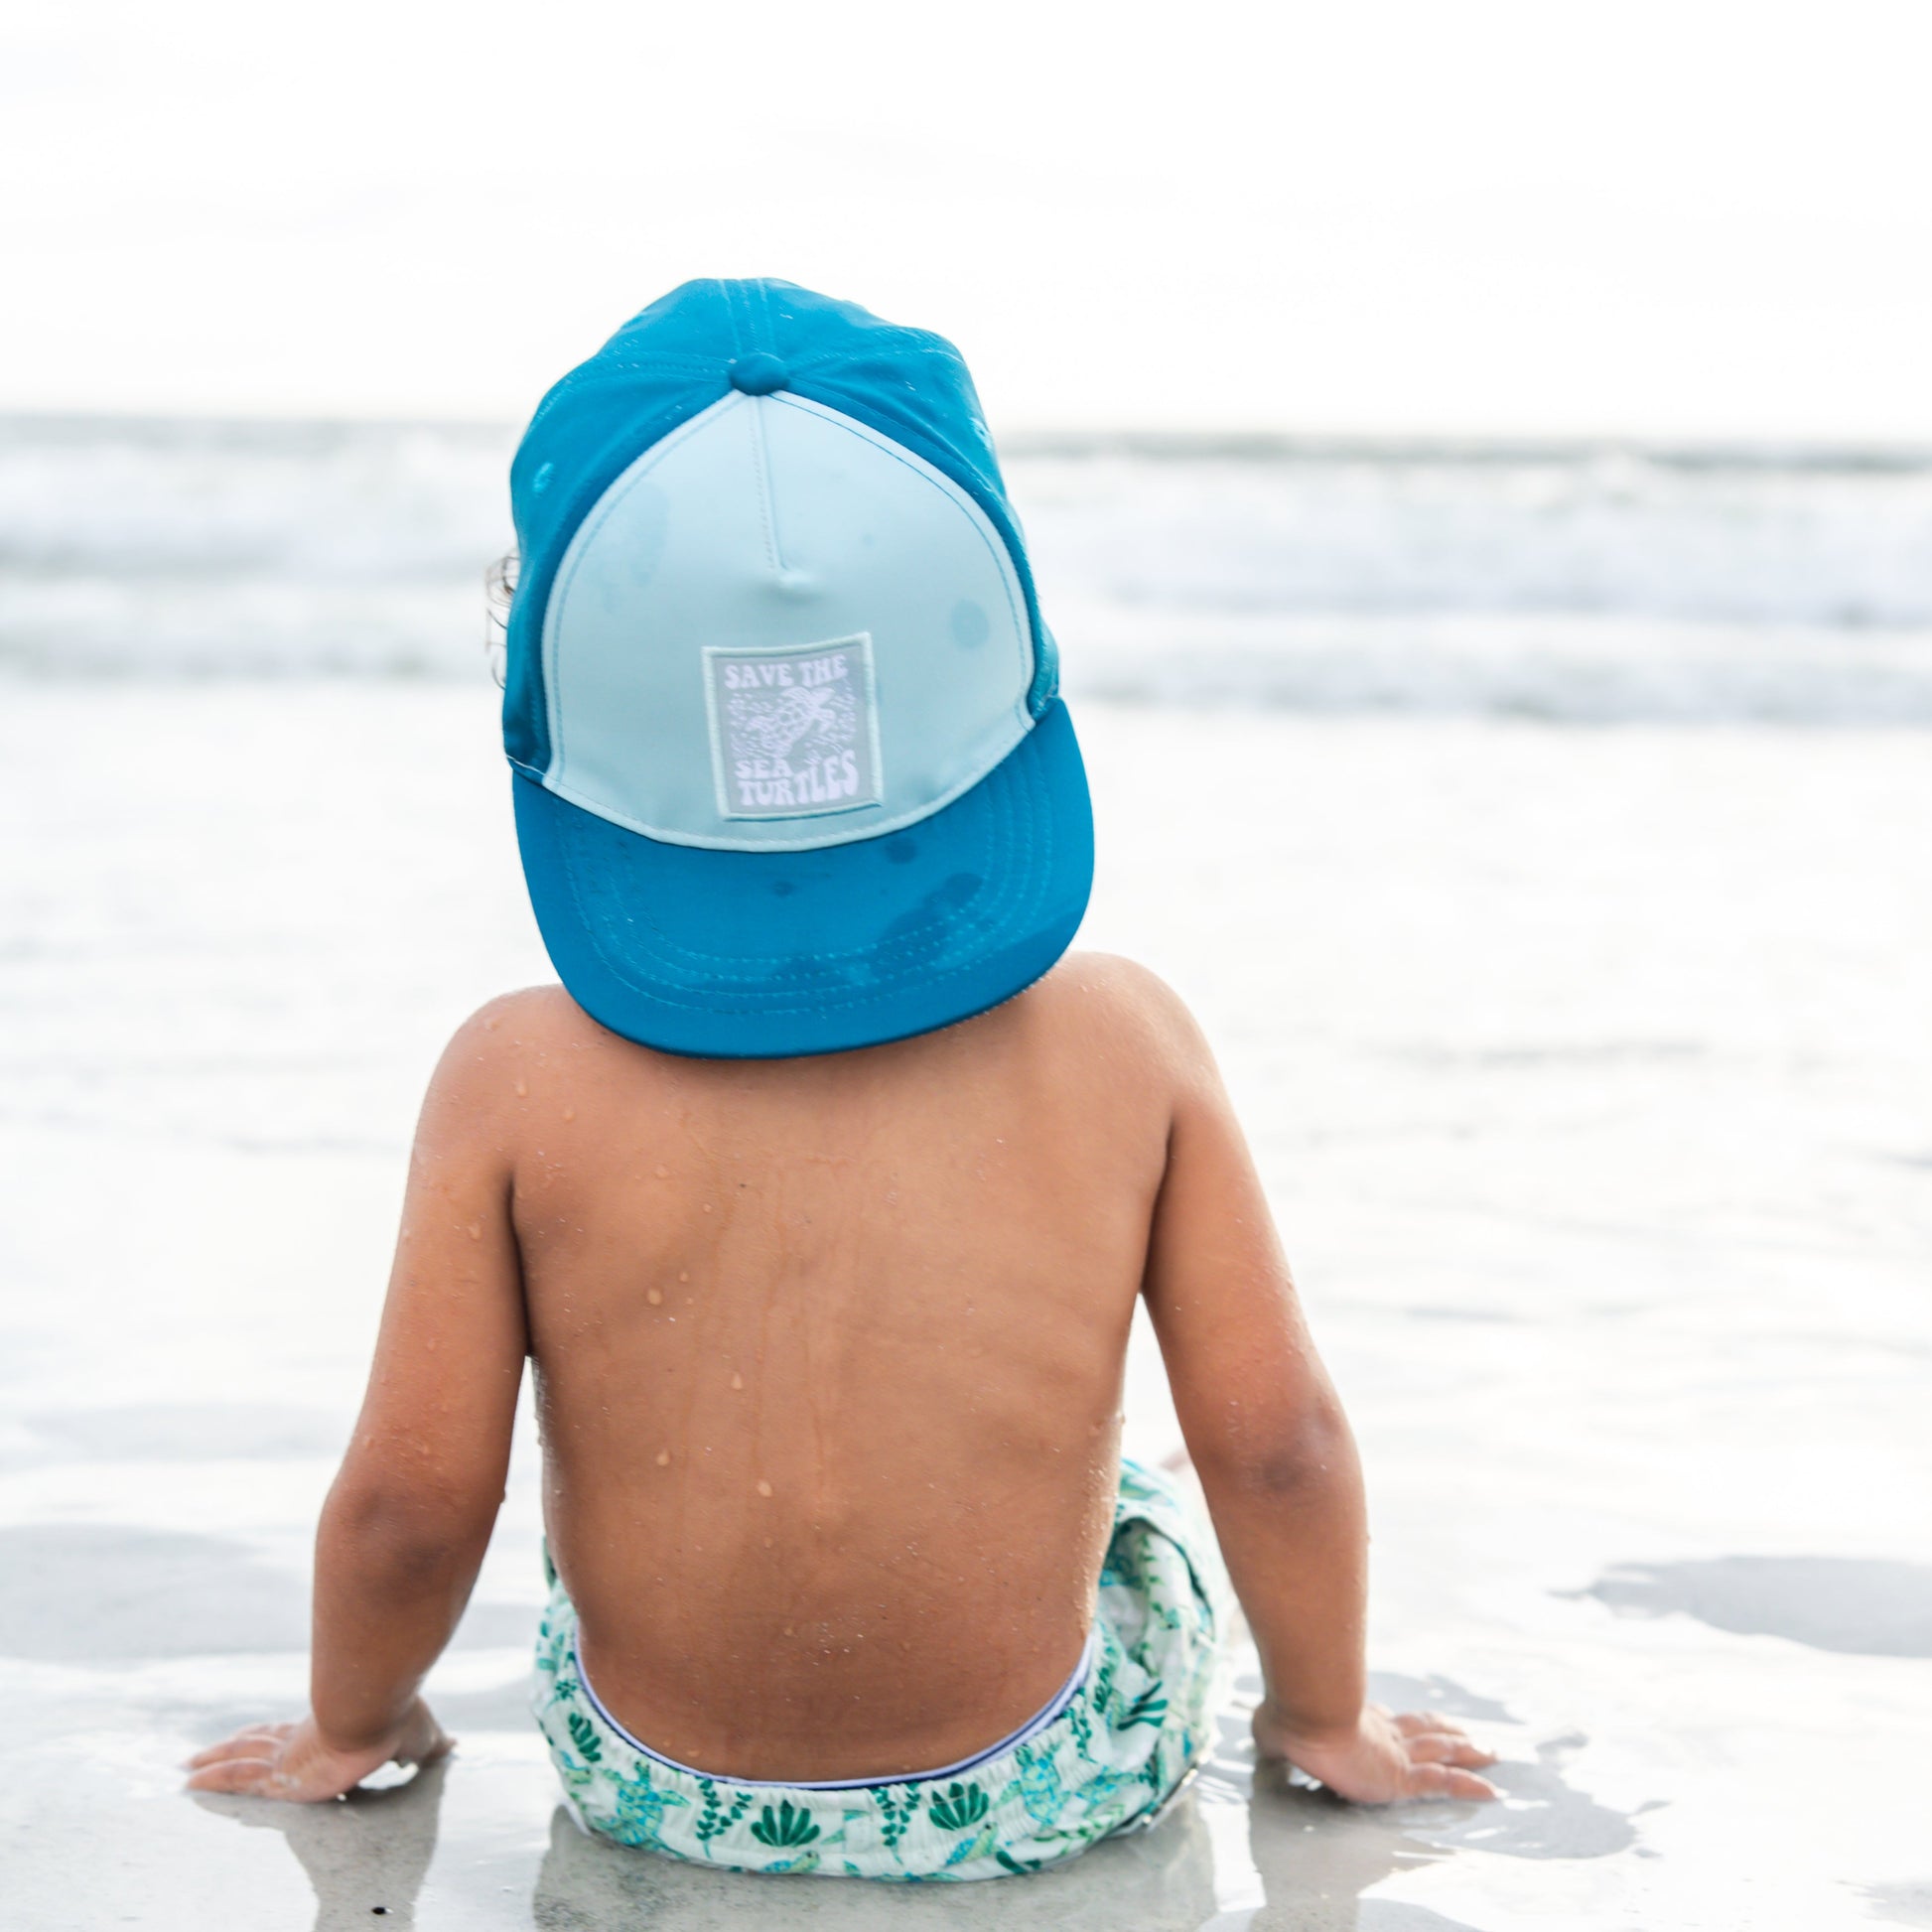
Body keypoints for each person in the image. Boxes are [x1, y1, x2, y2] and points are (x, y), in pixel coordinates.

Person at [184, 281, 1498, 1880]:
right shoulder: (1124, 1040)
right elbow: (1276, 1441)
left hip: (659, 1787)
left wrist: (352, 1724)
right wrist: (1321, 1716)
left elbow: (408, 1502)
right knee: (1127, 1484)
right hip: (1041, 1783)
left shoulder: (509, 1078)